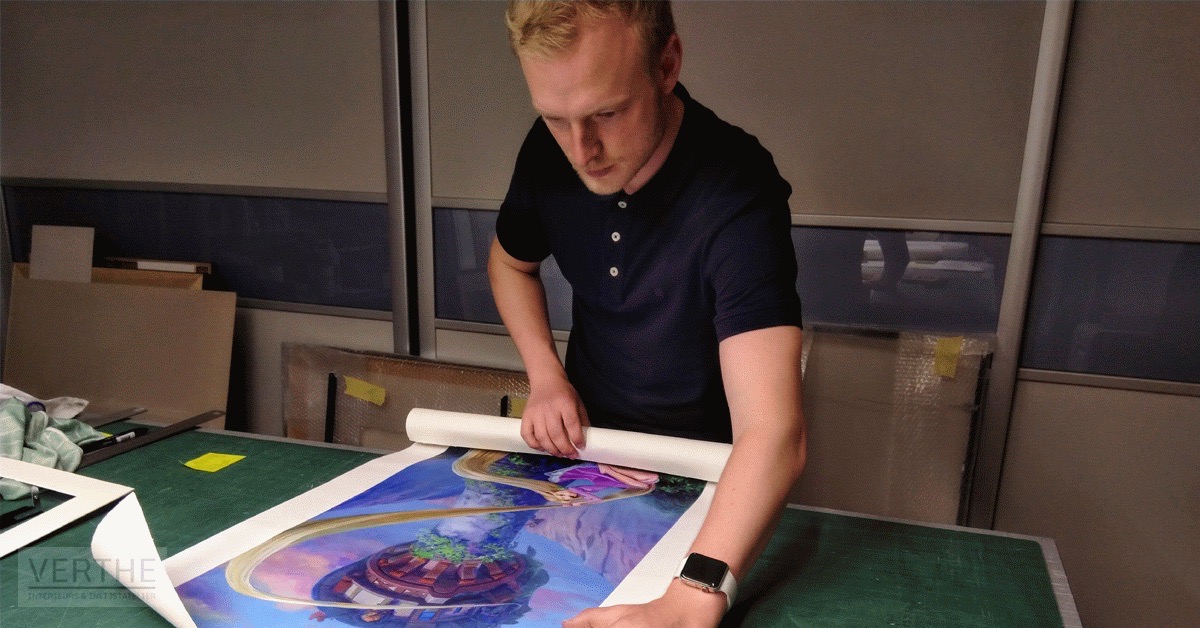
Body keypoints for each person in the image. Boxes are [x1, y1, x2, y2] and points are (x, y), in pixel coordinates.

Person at [488, 2, 807, 626]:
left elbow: (775, 433)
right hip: (589, 460)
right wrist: (546, 377)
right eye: (555, 118)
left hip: (710, 484)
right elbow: (510, 264)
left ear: (667, 65)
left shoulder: (737, 189)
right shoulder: (550, 152)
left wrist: (693, 598)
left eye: (607, 114)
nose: (582, 150)